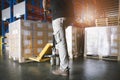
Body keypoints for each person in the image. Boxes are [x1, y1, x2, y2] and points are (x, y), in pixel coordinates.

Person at [43, 0, 74, 76]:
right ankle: (60, 54)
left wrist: (46, 9)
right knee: (61, 39)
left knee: (61, 42)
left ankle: (64, 68)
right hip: (69, 16)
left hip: (58, 16)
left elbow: (44, 2)